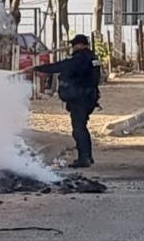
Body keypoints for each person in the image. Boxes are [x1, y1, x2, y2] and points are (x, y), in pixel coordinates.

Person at [34, 34, 102, 168]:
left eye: (75, 45)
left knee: (78, 129)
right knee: (81, 127)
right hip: (88, 97)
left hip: (80, 98)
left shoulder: (80, 58)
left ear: (82, 45)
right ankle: (87, 156)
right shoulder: (91, 57)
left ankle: (84, 158)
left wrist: (40, 69)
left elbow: (61, 66)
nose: (73, 47)